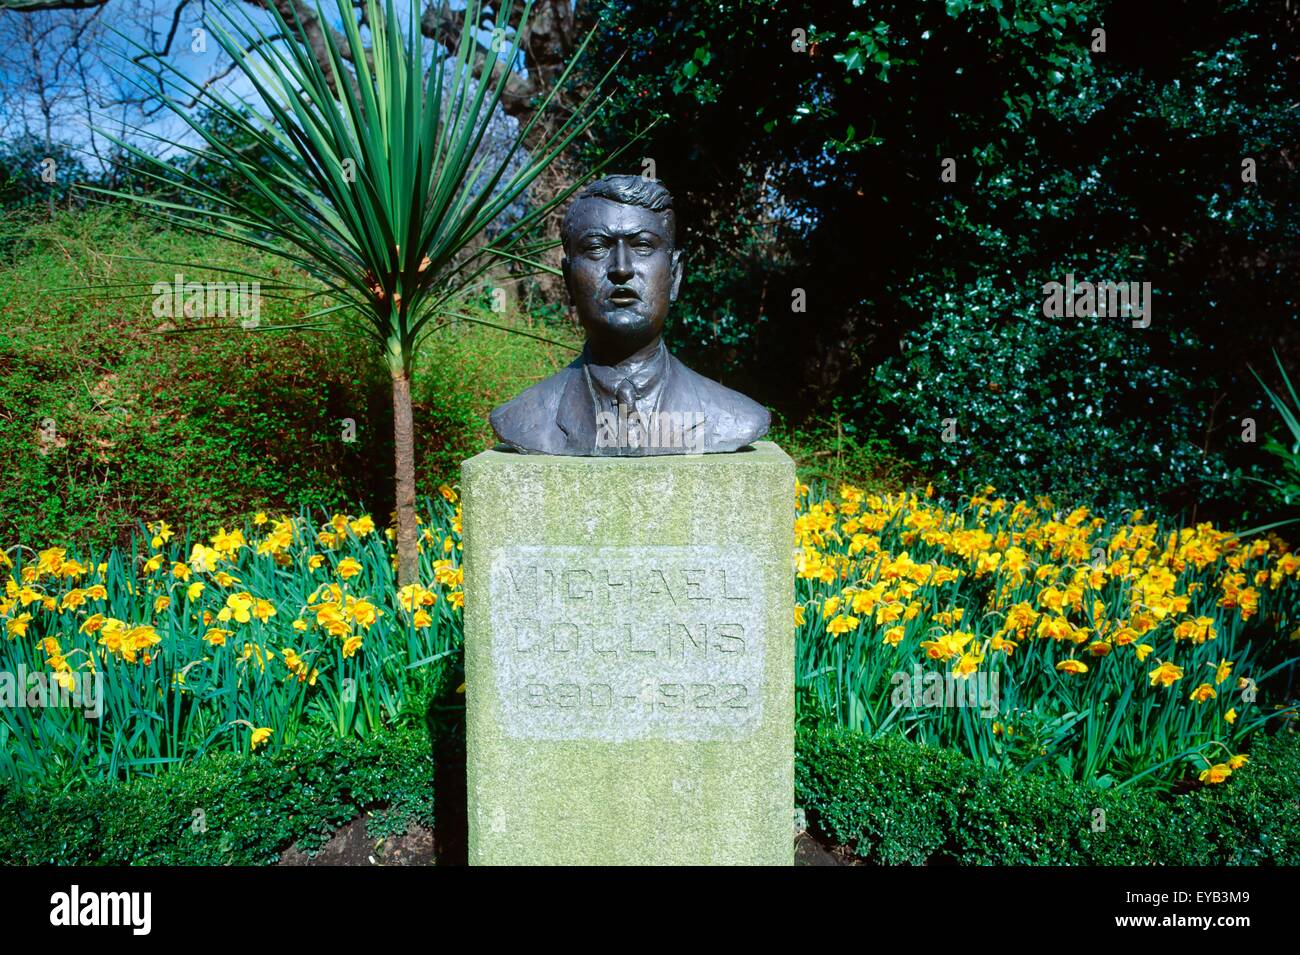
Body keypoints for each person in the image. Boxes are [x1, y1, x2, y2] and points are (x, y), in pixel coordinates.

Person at [490, 175, 770, 455]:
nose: (621, 268)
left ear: (675, 275)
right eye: (597, 247)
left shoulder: (734, 416)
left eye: (643, 246)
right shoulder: (524, 419)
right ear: (568, 280)